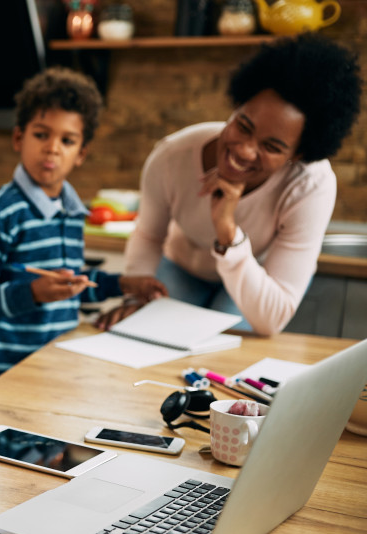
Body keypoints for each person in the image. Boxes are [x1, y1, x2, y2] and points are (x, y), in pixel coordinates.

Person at [98, 33, 363, 335]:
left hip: (251, 277)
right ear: (236, 107)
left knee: (225, 347)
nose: (244, 150)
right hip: (180, 268)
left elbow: (271, 319)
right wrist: (135, 292)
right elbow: (147, 235)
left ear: (299, 155)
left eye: (272, 147)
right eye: (243, 126)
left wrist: (227, 230)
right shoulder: (173, 156)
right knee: (146, 335)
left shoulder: (311, 186)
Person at [0, 67, 165, 391]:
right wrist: (32, 293)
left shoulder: (73, 212)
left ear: (81, 153)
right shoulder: (0, 212)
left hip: (54, 371)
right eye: (41, 135)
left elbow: (70, 287)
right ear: (19, 138)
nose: (53, 148)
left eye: (67, 140)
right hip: (3, 378)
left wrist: (123, 284)